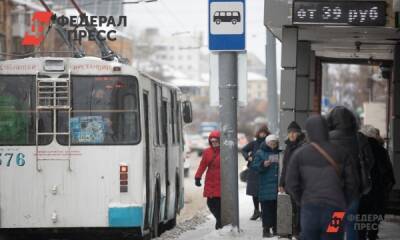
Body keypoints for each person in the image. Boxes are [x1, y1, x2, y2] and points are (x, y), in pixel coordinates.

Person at [285, 115, 358, 240]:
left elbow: (291, 183)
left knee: (310, 237)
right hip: (336, 210)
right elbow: (352, 183)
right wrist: (344, 201)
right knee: (333, 237)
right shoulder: (341, 152)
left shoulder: (300, 154)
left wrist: (301, 199)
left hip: (309, 209)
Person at [326, 106, 372, 240]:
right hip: (354, 189)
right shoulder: (359, 138)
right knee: (352, 224)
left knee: (335, 224)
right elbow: (370, 161)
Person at [358, 125, 396, 240]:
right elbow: (388, 173)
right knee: (375, 215)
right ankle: (372, 234)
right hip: (378, 190)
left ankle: (361, 235)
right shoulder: (381, 150)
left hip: (362, 190)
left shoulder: (357, 149)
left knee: (361, 216)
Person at [279, 121, 305, 238]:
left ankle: (299, 231)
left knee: (300, 208)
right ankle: (294, 230)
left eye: (294, 133)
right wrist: (281, 183)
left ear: (299, 134)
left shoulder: (303, 146)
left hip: (301, 184)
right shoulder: (288, 147)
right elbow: (285, 167)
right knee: (293, 208)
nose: (292, 135)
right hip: (290, 184)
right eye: (290, 133)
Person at [251, 134, 280, 238]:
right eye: (271, 143)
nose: (273, 145)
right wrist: (263, 164)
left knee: (277, 208)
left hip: (277, 186)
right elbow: (254, 167)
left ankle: (276, 229)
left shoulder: (279, 152)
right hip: (265, 186)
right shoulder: (260, 152)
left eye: (275, 143)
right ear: (267, 143)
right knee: (267, 210)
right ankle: (266, 231)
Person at [241, 124, 270, 220]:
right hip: (253, 170)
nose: (262, 135)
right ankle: (256, 211)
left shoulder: (269, 143)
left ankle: (263, 212)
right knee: (254, 192)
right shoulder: (254, 143)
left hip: (264, 170)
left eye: (264, 133)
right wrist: (248, 157)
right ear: (258, 133)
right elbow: (244, 150)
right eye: (261, 133)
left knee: (263, 192)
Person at [195, 130, 222, 229]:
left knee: (219, 204)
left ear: (220, 141)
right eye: (212, 141)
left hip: (222, 181)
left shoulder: (225, 151)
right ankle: (220, 220)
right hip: (210, 180)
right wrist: (197, 177)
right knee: (210, 203)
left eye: (216, 141)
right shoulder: (207, 152)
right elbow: (202, 165)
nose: (214, 143)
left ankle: (220, 222)